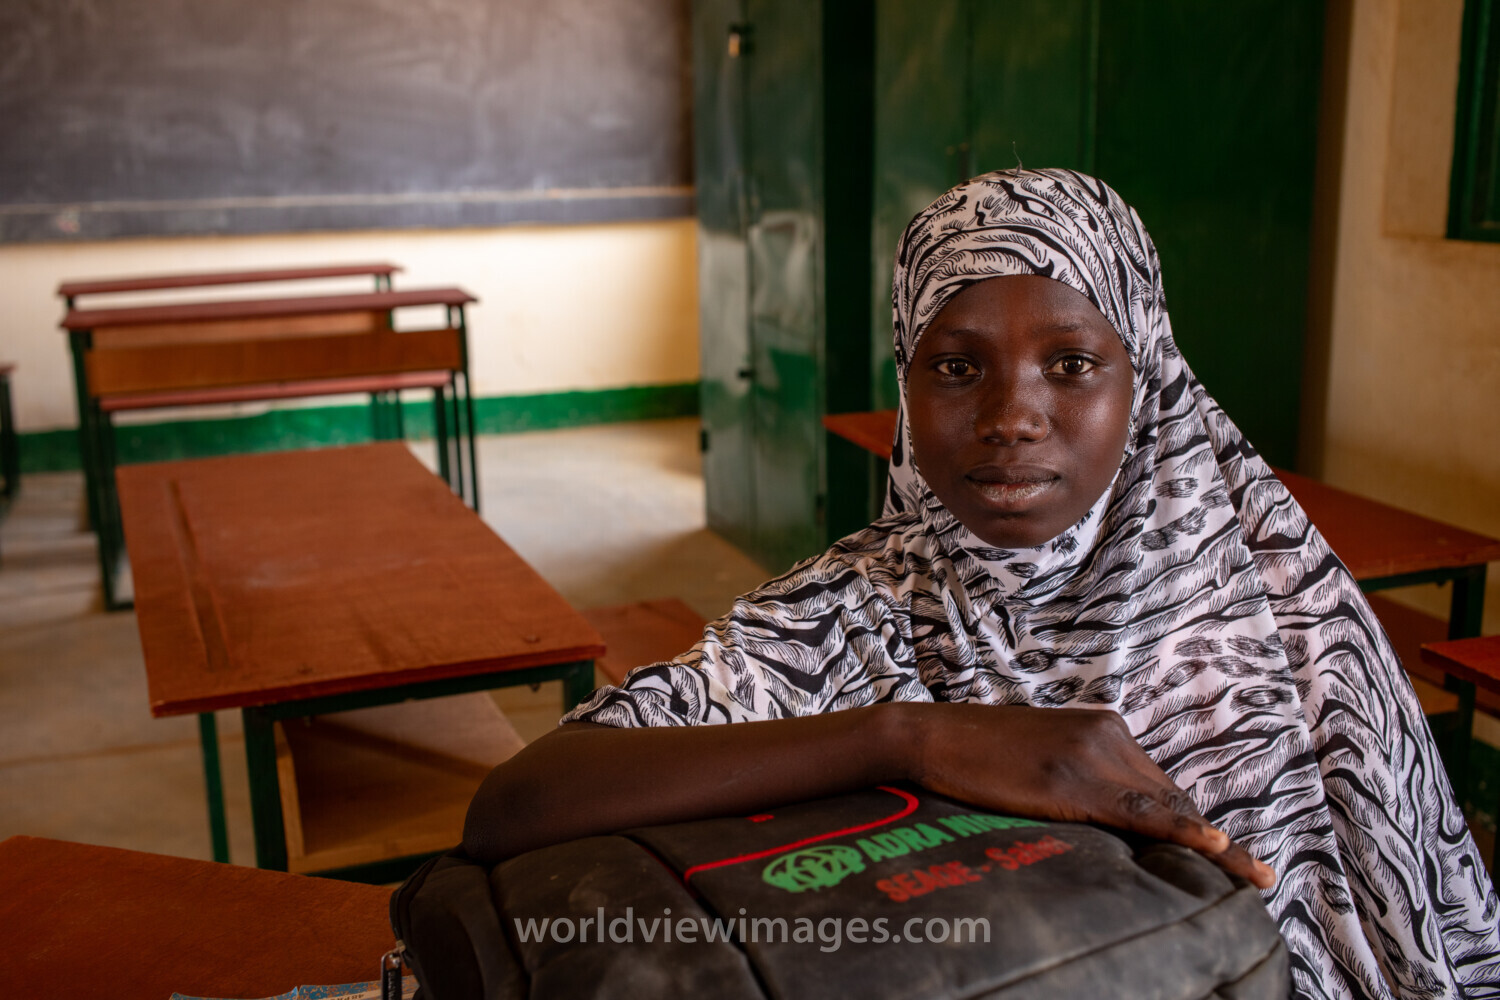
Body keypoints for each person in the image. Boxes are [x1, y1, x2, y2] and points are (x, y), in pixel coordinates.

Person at [464, 169, 1500, 999]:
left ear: (1146, 376)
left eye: (1071, 363)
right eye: (957, 367)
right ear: (906, 387)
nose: (1011, 415)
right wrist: (914, 734)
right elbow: (522, 799)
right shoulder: (851, 613)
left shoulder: (1284, 610)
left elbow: (1421, 931)